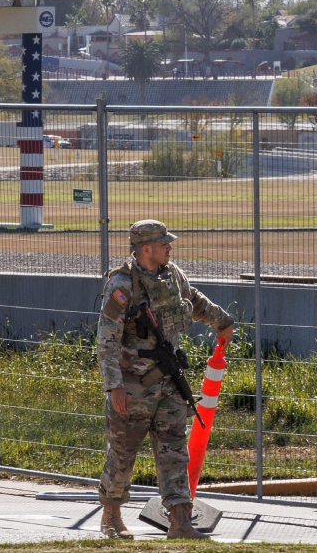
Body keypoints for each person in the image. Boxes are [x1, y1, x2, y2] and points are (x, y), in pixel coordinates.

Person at [96, 219, 234, 540]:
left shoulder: (172, 275)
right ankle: (111, 515)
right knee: (123, 451)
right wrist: (114, 385)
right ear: (147, 249)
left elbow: (194, 300)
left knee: (174, 450)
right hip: (132, 388)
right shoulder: (122, 285)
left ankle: (180, 521)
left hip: (169, 381)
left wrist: (221, 320)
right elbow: (107, 339)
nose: (169, 247)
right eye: (163, 244)